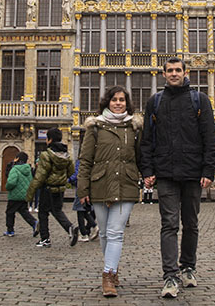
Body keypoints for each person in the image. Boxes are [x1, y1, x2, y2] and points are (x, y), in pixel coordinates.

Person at [140, 57, 215, 299]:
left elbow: (210, 138)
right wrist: (147, 171)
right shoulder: (155, 102)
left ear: (186, 72)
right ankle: (170, 274)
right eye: (170, 70)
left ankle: (188, 266)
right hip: (165, 173)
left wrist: (208, 170)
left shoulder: (200, 100)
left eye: (178, 70)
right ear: (163, 74)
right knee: (169, 224)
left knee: (191, 223)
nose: (174, 74)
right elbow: (146, 141)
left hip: (193, 172)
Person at [78, 85, 143, 297]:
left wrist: (149, 175)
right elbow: (85, 160)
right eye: (114, 99)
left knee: (116, 232)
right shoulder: (95, 128)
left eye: (122, 100)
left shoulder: (134, 128)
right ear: (107, 102)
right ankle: (113, 269)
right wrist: (82, 188)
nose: (118, 103)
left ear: (127, 103)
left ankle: (107, 275)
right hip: (100, 184)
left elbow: (141, 157)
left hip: (126, 183)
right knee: (105, 233)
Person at [25, 127, 78, 248]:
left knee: (43, 213)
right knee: (57, 211)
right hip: (60, 188)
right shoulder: (67, 155)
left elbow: (40, 176)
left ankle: (45, 238)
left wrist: (30, 194)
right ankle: (69, 227)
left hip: (47, 188)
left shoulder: (46, 155)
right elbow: (71, 172)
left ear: (49, 140)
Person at [3, 152, 38, 238]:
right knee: (23, 211)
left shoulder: (15, 169)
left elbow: (11, 182)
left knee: (10, 212)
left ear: (17, 158)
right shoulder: (28, 169)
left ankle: (10, 230)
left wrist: (7, 187)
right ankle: (34, 223)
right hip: (24, 194)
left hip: (15, 195)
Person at [69, 158, 98, 243]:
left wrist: (69, 180)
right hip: (90, 186)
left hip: (82, 187)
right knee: (85, 210)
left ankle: (84, 234)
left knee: (80, 211)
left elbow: (79, 174)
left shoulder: (82, 160)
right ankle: (93, 227)